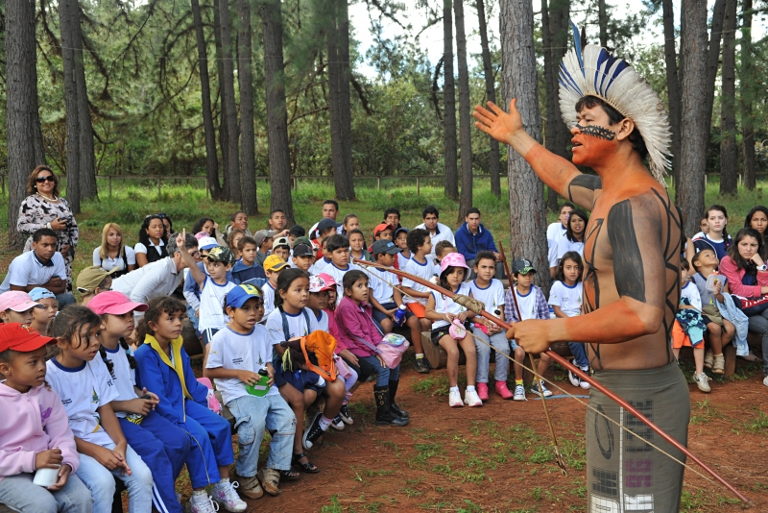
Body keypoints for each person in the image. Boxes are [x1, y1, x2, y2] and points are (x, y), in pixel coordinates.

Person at [474, 32, 687, 510]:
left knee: (635, 509)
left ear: (624, 127)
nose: (575, 129)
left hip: (641, 397)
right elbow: (565, 177)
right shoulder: (610, 195)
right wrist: (517, 137)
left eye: (587, 122)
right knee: (611, 506)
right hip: (617, 390)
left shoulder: (633, 207)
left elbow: (641, 313)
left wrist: (553, 328)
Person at [134, 297, 246, 513]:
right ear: (153, 325)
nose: (178, 323)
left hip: (183, 403)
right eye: (171, 319)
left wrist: (207, 400)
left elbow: (189, 381)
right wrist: (181, 420)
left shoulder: (176, 344)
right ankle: (199, 496)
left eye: (180, 318)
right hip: (164, 411)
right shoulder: (145, 354)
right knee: (197, 436)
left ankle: (222, 486)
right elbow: (157, 398)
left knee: (221, 426)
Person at [89, 291, 193, 513]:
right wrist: (128, 404)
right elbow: (96, 402)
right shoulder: (93, 354)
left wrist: (140, 394)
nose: (130, 320)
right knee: (155, 450)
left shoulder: (123, 346)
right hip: (114, 420)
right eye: (122, 316)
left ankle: (162, 495)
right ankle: (167, 506)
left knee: (180, 441)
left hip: (135, 412)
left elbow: (124, 383)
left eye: (130, 314)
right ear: (101, 323)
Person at [47, 306, 154, 513]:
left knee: (142, 476)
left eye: (96, 333)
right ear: (61, 342)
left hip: (98, 435)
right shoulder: (50, 376)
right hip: (71, 445)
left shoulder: (95, 361)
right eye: (87, 336)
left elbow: (104, 407)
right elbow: (57, 432)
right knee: (103, 483)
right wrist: (98, 452)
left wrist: (120, 444)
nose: (96, 341)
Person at [205, 284, 297, 499]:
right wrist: (239, 374)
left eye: (256, 307)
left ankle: (273, 468)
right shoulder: (222, 338)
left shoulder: (262, 332)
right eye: (246, 308)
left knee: (287, 419)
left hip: (265, 389)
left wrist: (271, 370)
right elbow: (209, 370)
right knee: (254, 424)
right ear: (230, 311)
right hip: (237, 392)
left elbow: (266, 361)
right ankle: (245, 473)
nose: (253, 313)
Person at [0, 323, 92, 513]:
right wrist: (32, 460)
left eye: (43, 360)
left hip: (44, 464)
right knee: (43, 505)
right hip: (6, 473)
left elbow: (62, 434)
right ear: (5, 369)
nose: (42, 367)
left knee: (81, 498)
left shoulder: (46, 393)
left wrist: (66, 463)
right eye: (33, 362)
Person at [264, 269, 344, 473]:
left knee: (311, 395)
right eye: (298, 290)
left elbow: (317, 345)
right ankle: (296, 451)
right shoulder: (275, 318)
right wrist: (304, 347)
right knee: (299, 400)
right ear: (282, 293)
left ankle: (298, 442)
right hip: (286, 370)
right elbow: (284, 354)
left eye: (306, 290)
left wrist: (306, 350)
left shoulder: (308, 314)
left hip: (306, 367)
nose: (304, 295)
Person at [334, 270, 409, 425]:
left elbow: (372, 330)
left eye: (366, 285)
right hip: (354, 349)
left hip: (367, 347)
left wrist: (382, 347)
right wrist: (377, 352)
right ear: (348, 291)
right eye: (359, 286)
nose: (365, 289)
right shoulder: (346, 306)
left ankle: (390, 404)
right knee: (383, 368)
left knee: (393, 362)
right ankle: (383, 414)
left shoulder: (363, 305)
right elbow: (356, 335)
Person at [425, 253, 481, 407]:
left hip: (461, 326)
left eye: (460, 272)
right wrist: (443, 316)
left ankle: (471, 390)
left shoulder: (465, 288)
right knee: (453, 352)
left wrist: (466, 314)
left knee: (470, 351)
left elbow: (474, 309)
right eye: (452, 272)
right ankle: (454, 389)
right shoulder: (436, 290)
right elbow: (427, 312)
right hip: (442, 327)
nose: (456, 276)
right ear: (445, 273)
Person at [718, 228, 768, 387]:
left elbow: (765, 284)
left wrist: (761, 266)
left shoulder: (762, 260)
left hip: (761, 304)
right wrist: (762, 291)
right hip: (740, 310)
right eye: (744, 244)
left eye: (753, 245)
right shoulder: (728, 261)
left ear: (759, 247)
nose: (748, 249)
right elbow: (737, 289)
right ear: (737, 245)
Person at [112, 232, 205, 317]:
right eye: (192, 254)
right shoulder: (162, 268)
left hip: (127, 305)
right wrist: (140, 325)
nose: (197, 257)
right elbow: (136, 296)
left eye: (197, 253)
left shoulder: (179, 272)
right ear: (177, 255)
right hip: (115, 299)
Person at [17, 165, 79, 282]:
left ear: (54, 182)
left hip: (62, 255)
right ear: (35, 184)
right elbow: (21, 226)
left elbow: (74, 226)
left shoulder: (63, 202)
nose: (46, 181)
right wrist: (49, 226)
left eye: (49, 178)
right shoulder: (30, 202)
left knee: (62, 287)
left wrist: (71, 245)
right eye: (41, 179)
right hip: (40, 254)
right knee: (41, 288)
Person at [504, 259, 553, 398]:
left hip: (537, 333)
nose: (528, 278)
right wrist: (521, 328)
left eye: (530, 274)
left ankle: (537, 382)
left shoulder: (537, 292)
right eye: (524, 274)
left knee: (546, 355)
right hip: (519, 333)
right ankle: (519, 384)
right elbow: (509, 317)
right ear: (515, 276)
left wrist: (537, 329)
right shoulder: (511, 294)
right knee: (519, 353)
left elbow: (544, 315)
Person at [467, 252, 512, 400]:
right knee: (483, 348)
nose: (488, 271)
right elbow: (469, 314)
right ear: (475, 269)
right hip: (477, 326)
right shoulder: (469, 287)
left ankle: (501, 382)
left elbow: (500, 309)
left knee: (504, 347)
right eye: (484, 267)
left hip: (495, 325)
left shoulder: (497, 284)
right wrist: (481, 322)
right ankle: (482, 383)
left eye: (491, 267)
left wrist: (499, 324)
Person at [690, 248, 736, 374]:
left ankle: (712, 352)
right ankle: (719, 358)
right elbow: (692, 298)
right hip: (703, 312)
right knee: (715, 329)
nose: (712, 256)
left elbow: (725, 300)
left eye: (713, 255)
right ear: (698, 263)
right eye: (707, 255)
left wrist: (718, 294)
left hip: (720, 312)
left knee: (730, 329)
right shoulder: (694, 278)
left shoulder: (722, 278)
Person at [0, 228, 75, 306]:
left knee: (68, 298)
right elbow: (18, 293)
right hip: (11, 300)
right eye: (45, 245)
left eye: (53, 245)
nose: (50, 249)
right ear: (34, 245)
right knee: (40, 306)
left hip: (43, 297)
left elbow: (61, 288)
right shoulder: (22, 261)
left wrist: (31, 287)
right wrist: (47, 286)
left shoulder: (58, 257)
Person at [549, 252, 591, 389]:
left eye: (576, 267)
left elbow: (584, 306)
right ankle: (584, 367)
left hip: (580, 320)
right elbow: (557, 310)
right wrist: (572, 321)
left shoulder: (582, 285)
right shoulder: (557, 286)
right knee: (574, 336)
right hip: (563, 320)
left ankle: (577, 363)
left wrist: (582, 316)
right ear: (562, 268)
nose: (573, 271)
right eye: (569, 267)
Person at [671, 260, 711, 393]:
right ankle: (673, 373)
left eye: (682, 269)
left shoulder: (691, 287)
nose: (679, 273)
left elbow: (697, 308)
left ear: (687, 271)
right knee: (676, 335)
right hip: (674, 318)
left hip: (691, 317)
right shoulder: (668, 286)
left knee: (697, 334)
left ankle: (699, 374)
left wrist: (681, 306)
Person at [399, 228, 434, 373]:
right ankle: (420, 356)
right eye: (428, 242)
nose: (431, 245)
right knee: (425, 322)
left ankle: (431, 354)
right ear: (419, 246)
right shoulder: (411, 265)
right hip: (414, 301)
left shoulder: (430, 261)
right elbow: (405, 289)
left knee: (433, 320)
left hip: (429, 300)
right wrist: (424, 295)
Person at [365, 240, 405, 334]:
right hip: (378, 306)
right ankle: (385, 348)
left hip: (392, 304)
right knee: (387, 324)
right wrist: (385, 312)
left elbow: (396, 293)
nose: (394, 259)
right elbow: (371, 297)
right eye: (391, 256)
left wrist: (401, 309)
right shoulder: (369, 271)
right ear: (380, 256)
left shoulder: (392, 270)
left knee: (413, 320)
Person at [549, 208, 588, 277]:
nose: (577, 223)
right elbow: (564, 263)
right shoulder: (564, 239)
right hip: (569, 277)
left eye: (580, 220)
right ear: (569, 224)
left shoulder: (590, 239)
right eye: (573, 221)